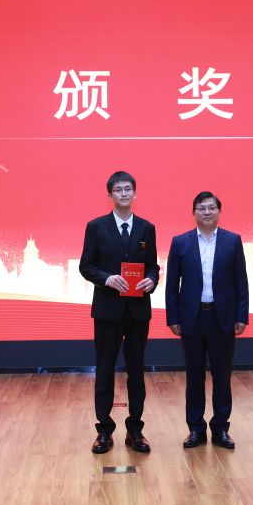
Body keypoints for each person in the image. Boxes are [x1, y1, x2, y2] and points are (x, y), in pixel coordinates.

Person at [80, 170, 159, 454]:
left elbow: (152, 265)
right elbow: (86, 266)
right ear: (110, 195)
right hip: (107, 311)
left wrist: (152, 279)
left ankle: (135, 429)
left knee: (136, 372)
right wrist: (106, 279)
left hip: (138, 312)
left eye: (128, 189)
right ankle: (104, 430)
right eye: (118, 190)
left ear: (135, 193)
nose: (124, 194)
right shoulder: (96, 227)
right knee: (104, 371)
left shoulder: (147, 228)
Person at [165, 191, 249, 450]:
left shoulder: (232, 241)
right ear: (194, 213)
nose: (207, 212)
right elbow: (171, 285)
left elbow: (241, 282)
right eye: (201, 208)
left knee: (222, 376)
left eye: (212, 207)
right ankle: (195, 429)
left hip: (222, 318)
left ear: (219, 212)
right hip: (191, 318)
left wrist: (241, 316)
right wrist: (173, 317)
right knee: (194, 376)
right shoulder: (180, 242)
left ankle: (221, 428)